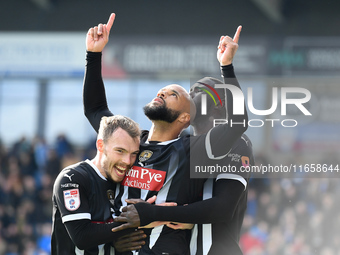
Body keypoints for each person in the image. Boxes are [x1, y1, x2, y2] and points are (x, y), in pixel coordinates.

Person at [83, 13, 248, 254]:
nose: (161, 94)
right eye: (161, 91)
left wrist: (227, 66)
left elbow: (238, 122)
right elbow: (96, 110)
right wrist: (94, 54)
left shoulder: (193, 149)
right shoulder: (130, 141)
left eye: (173, 95)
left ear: (185, 118)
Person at [114, 75, 254, 255]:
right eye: (189, 92)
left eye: (198, 91)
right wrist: (121, 238)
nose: (190, 96)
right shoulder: (181, 146)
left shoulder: (238, 142)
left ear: (221, 103)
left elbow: (223, 207)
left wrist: (157, 213)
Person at [51, 115, 143, 255]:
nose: (127, 161)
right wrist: (138, 220)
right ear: (100, 145)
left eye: (133, 153)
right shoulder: (72, 178)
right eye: (120, 151)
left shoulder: (127, 181)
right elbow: (82, 237)